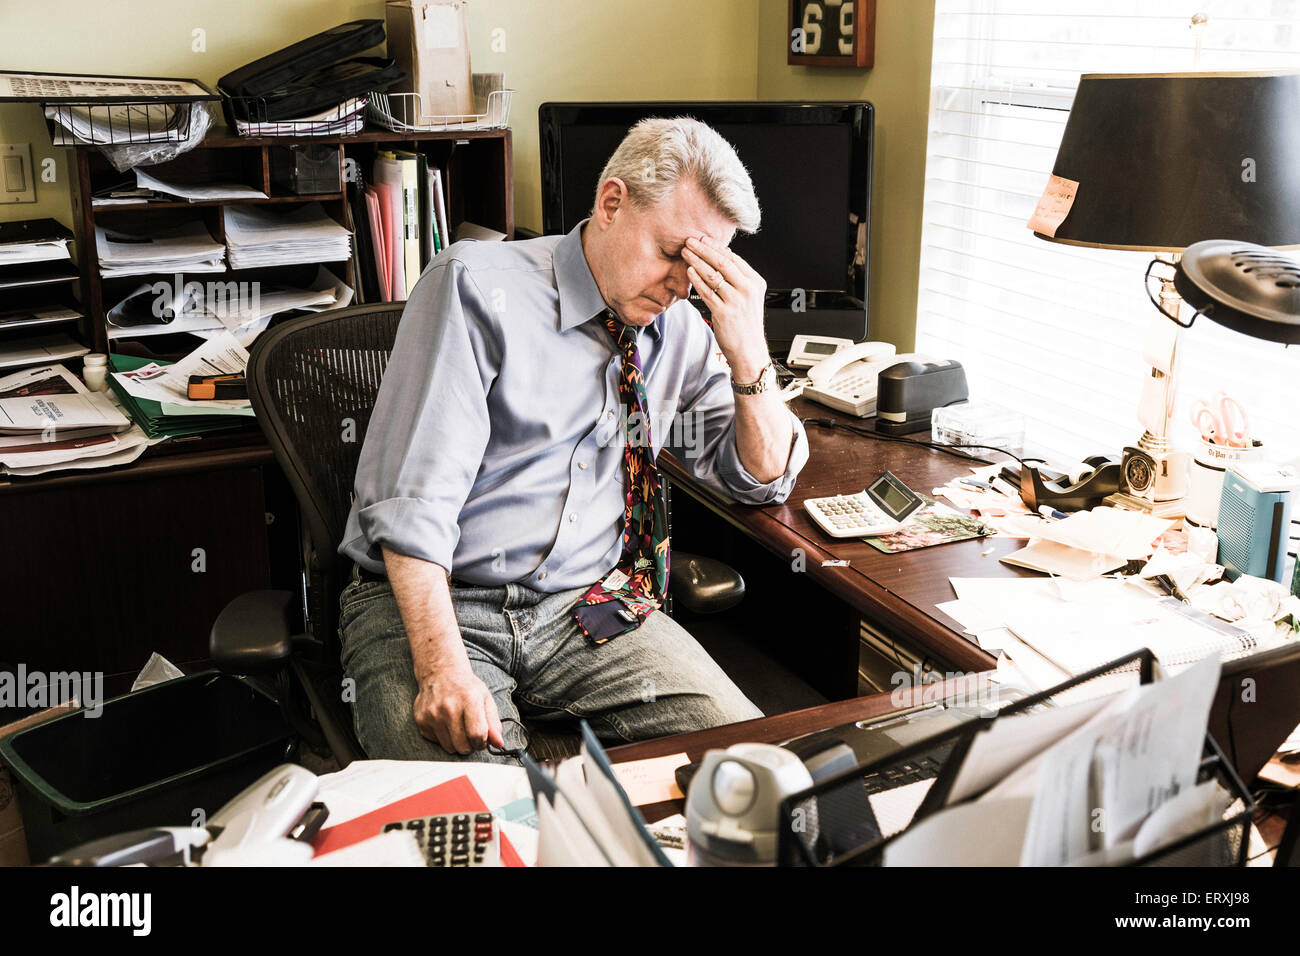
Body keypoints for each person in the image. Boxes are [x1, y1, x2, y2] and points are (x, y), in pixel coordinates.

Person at [338, 116, 809, 762]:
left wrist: (751, 358)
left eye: (702, 266)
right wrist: (443, 668)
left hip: (587, 608)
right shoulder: (477, 289)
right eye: (674, 253)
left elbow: (756, 479)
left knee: (763, 763)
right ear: (611, 203)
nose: (682, 285)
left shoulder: (682, 331)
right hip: (437, 602)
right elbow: (413, 507)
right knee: (485, 825)